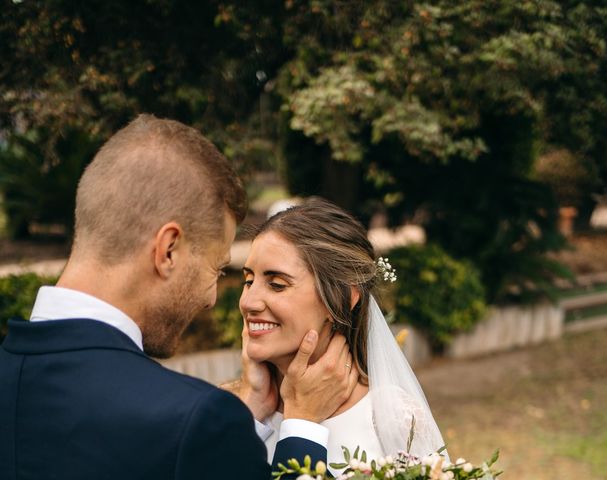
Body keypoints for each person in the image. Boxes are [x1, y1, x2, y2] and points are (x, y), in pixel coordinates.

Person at [0, 115, 358, 480]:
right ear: (168, 251)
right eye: (216, 270)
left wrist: (250, 413)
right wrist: (301, 430)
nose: (212, 298)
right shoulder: (195, 419)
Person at [239, 197, 447, 477]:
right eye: (248, 281)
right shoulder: (235, 409)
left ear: (341, 298)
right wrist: (251, 409)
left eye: (276, 285)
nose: (249, 302)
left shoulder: (391, 417)